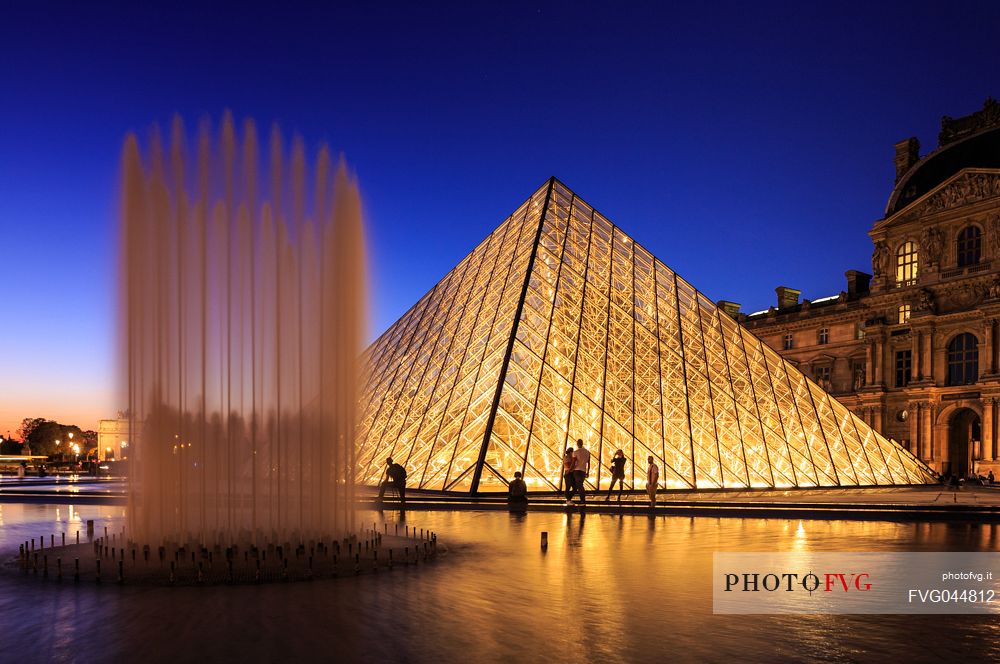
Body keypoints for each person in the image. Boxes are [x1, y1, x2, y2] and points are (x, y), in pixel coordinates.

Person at [571, 438, 591, 505]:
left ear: (577, 444)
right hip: (583, 471)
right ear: (582, 443)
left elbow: (573, 463)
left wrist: (570, 470)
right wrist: (588, 472)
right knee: (580, 485)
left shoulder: (575, 452)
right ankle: (582, 499)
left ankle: (582, 500)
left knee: (579, 486)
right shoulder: (587, 452)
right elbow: (588, 463)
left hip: (577, 471)